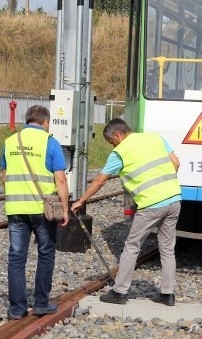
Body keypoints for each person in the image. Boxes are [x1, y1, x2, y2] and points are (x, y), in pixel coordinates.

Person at [70, 118, 181, 306]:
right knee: (168, 249)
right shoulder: (155, 138)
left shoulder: (120, 152)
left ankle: (119, 292)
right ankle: (167, 293)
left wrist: (81, 201)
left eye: (111, 142)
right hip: (174, 199)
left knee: (132, 246)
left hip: (151, 204)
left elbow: (99, 181)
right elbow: (176, 163)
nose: (112, 146)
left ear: (117, 135)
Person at [2, 105, 69, 319]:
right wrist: (65, 209)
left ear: (28, 120)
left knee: (16, 257)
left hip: (15, 209)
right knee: (46, 253)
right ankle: (41, 303)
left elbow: (4, 176)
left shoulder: (10, 142)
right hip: (43, 210)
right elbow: (60, 179)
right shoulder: (50, 142)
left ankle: (17, 309)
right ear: (45, 122)